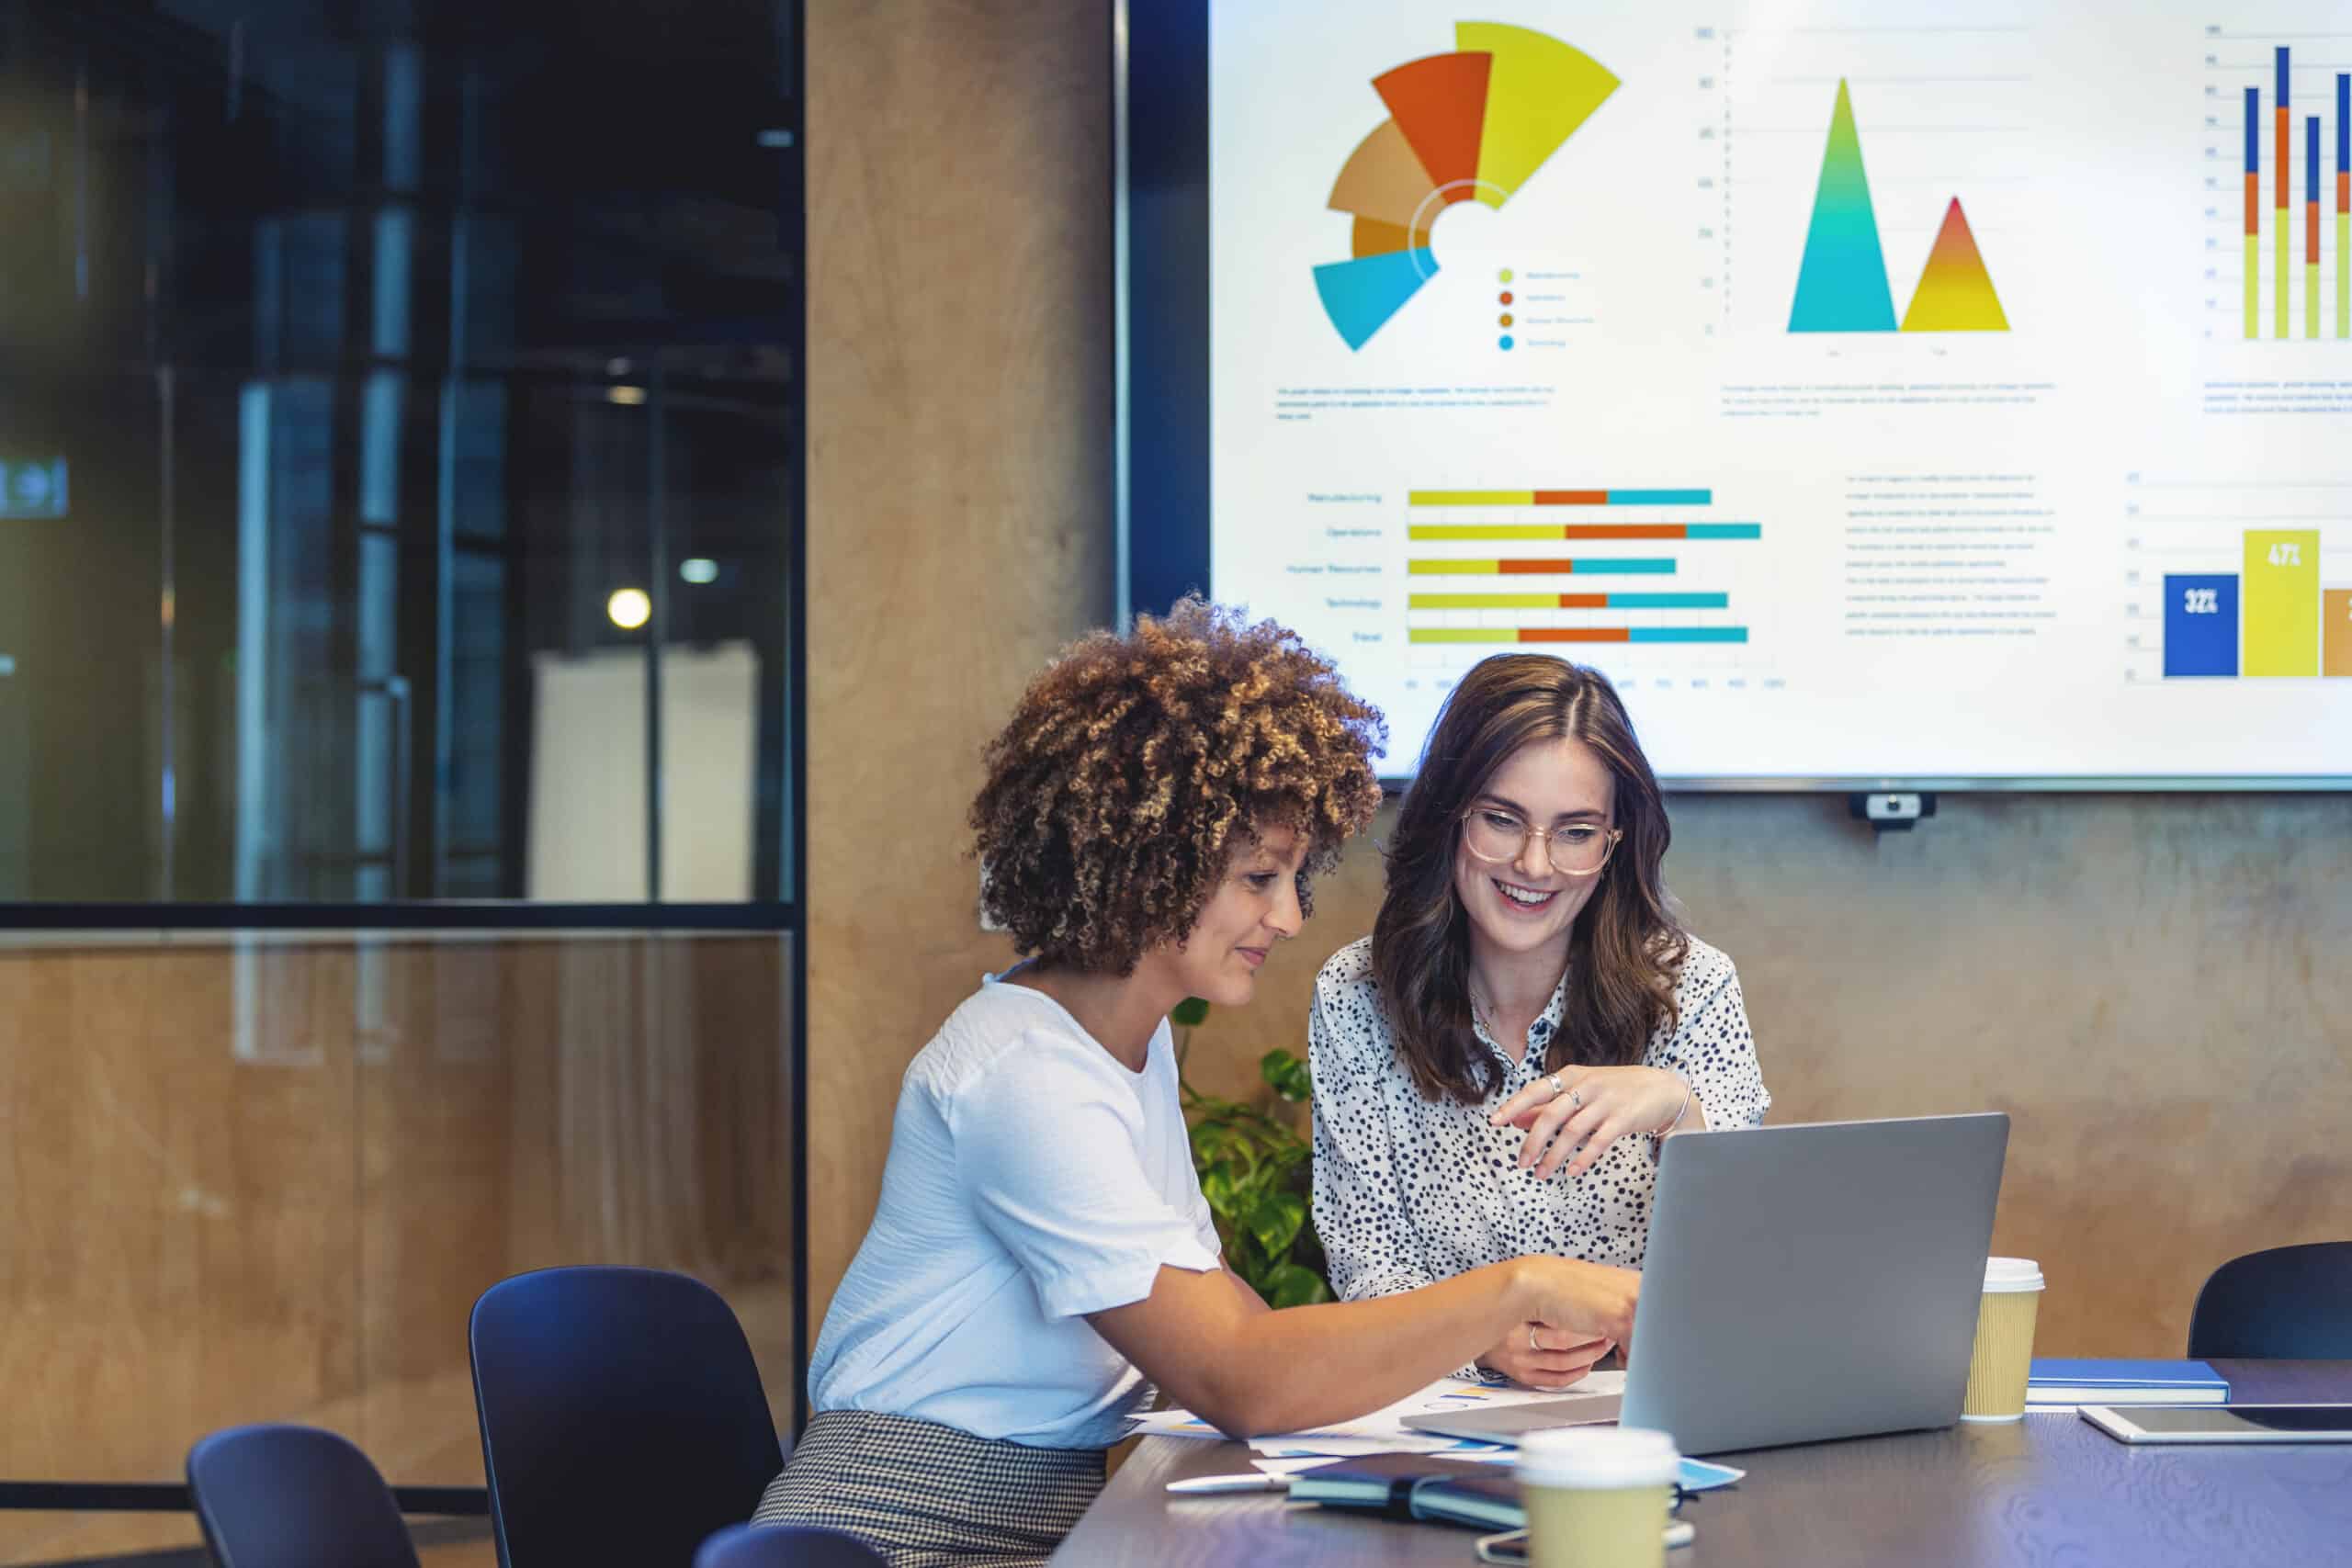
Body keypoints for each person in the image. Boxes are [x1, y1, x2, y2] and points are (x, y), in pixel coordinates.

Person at [754, 604, 1642, 1567]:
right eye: (1257, 878)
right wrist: (1522, 1287)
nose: (1288, 918)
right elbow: (1235, 1375)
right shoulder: (1023, 1078)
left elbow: (1237, 1331)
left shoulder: (1123, 1047)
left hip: (1047, 1510)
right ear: (1149, 867)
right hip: (897, 1525)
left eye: (1292, 879)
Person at [1310, 653, 1769, 1391]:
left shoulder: (1695, 986)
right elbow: (1366, 1258)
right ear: (1449, 815)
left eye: (1576, 832)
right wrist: (1481, 1341)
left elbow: (1745, 1261)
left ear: (1614, 844)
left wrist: (1678, 1108)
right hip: (1437, 1416)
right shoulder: (1357, 994)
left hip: (1645, 1415)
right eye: (1501, 819)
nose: (1534, 863)